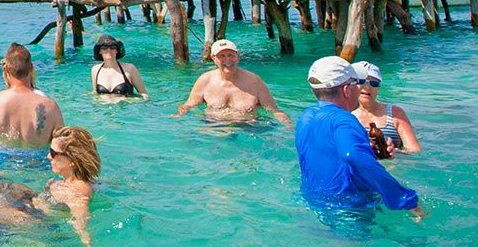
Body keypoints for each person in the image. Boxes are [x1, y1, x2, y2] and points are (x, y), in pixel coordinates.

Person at [295, 56, 420, 214]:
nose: (361, 88)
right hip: (349, 208)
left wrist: (368, 151)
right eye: (357, 83)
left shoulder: (305, 116)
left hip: (312, 201)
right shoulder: (345, 120)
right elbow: (353, 156)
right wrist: (404, 199)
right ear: (347, 90)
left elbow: (327, 154)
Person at [0, 43, 65, 163]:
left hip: (3, 164)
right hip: (39, 165)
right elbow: (62, 147)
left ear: (6, 69)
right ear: (31, 68)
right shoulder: (51, 106)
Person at [176, 38, 290, 126]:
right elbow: (188, 105)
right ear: (213, 58)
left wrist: (288, 127)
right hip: (213, 128)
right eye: (222, 56)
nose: (227, 60)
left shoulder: (254, 81)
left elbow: (274, 111)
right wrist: (176, 119)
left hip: (247, 128)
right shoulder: (205, 80)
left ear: (238, 56)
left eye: (231, 55)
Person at [35, 126, 106, 247]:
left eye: (53, 152)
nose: (48, 156)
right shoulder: (83, 182)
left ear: (72, 160)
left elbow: (81, 219)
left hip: (53, 233)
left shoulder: (77, 190)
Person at [351, 61, 420, 156]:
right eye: (361, 81)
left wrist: (395, 152)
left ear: (378, 87)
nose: (367, 87)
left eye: (373, 83)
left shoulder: (395, 113)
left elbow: (415, 151)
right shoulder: (345, 115)